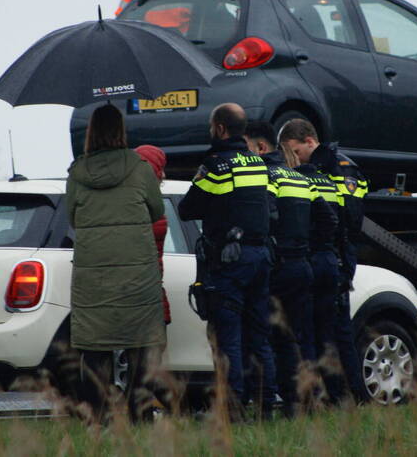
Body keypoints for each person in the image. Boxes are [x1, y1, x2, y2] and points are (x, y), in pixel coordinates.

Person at [66, 104, 166, 421]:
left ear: (90, 132)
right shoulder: (140, 168)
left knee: (95, 347)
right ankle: (140, 414)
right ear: (121, 131)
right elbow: (156, 210)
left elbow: (73, 217)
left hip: (92, 273)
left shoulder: (76, 172)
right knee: (141, 342)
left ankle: (97, 416)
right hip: (138, 270)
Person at [178, 103, 277, 417]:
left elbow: (188, 208)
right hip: (261, 257)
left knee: (227, 336)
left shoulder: (218, 164)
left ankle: (231, 407)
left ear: (220, 128)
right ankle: (265, 405)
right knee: (259, 336)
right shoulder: (259, 164)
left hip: (230, 262)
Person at [244, 121, 336, 414]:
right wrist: (305, 246)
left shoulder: (266, 175)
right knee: (298, 337)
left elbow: (266, 216)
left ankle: (272, 402)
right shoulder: (299, 178)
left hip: (278, 266)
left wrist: (273, 246)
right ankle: (305, 399)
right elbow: (329, 219)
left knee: (269, 338)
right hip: (301, 266)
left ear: (260, 147)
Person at [279, 118, 370, 404]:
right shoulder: (317, 167)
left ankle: (353, 394)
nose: (294, 158)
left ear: (309, 141)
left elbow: (350, 218)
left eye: (296, 151)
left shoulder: (340, 167)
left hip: (336, 254)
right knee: (325, 329)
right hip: (328, 254)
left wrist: (337, 255)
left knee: (338, 330)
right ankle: (337, 395)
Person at [134, 145, 171, 325]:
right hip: (147, 292)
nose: (164, 175)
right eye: (160, 169)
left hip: (139, 292)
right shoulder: (152, 207)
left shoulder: (121, 202)